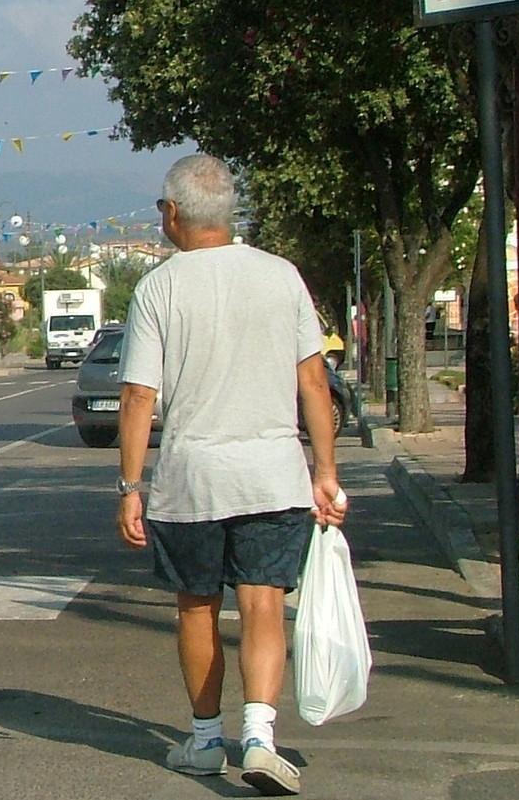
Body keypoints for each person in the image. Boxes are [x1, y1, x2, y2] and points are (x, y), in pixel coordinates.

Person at [116, 154, 347, 796]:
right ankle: (262, 736)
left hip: (193, 477)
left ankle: (205, 739)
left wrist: (131, 487)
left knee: (197, 605)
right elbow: (313, 381)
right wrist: (324, 471)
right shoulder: (282, 277)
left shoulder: (158, 288)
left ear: (171, 213)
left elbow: (139, 395)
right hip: (274, 474)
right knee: (264, 602)